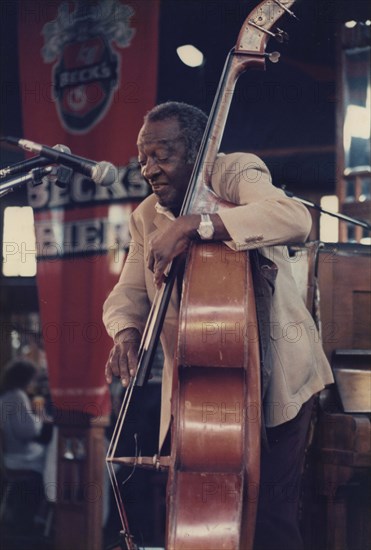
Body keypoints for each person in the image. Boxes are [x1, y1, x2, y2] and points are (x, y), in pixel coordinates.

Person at [103, 101, 334, 549]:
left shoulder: (234, 171)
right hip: (199, 391)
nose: (149, 169)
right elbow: (127, 294)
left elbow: (293, 218)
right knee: (200, 509)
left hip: (282, 383)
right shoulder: (145, 217)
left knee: (269, 518)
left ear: (198, 152)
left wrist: (199, 224)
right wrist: (126, 333)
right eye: (143, 158)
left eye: (163, 155)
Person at [0, 358, 51, 535]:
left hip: (9, 455)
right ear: (25, 379)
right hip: (19, 457)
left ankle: (39, 512)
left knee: (49, 454)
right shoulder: (18, 397)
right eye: (32, 379)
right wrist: (39, 418)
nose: (34, 383)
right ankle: (42, 515)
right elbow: (27, 432)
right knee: (53, 457)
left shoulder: (7, 395)